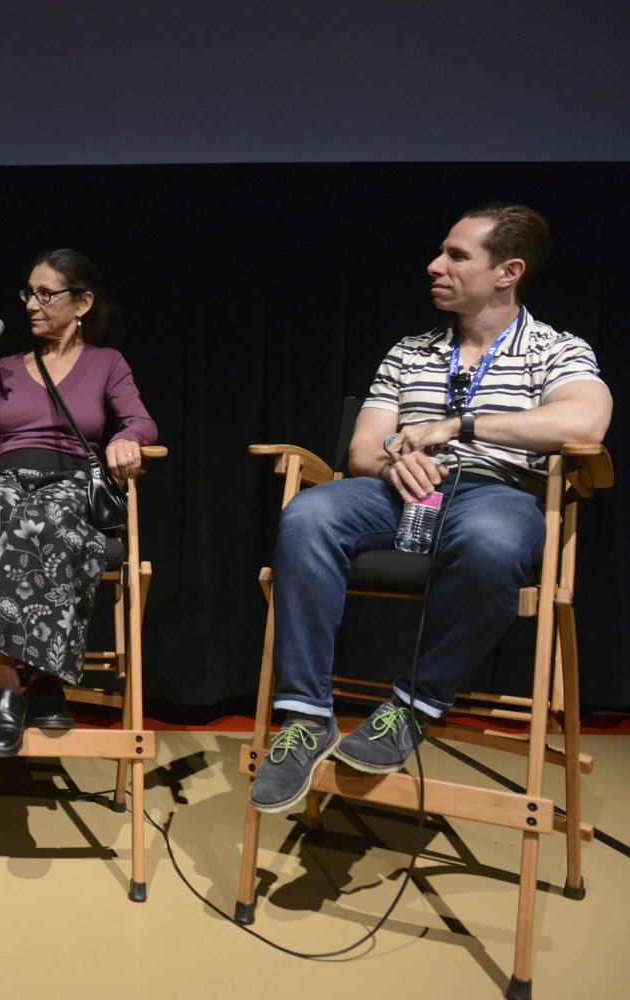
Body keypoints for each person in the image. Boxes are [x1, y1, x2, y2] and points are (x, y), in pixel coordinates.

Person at [250, 203, 613, 814]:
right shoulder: (410, 350)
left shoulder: (556, 348)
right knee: (309, 514)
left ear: (508, 271)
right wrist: (395, 461)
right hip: (397, 493)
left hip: (495, 494)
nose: (434, 265)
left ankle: (413, 705)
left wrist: (464, 426)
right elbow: (364, 447)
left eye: (456, 256)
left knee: (494, 545)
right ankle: (306, 716)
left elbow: (585, 417)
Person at [0, 249, 158, 758]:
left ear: (82, 303)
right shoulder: (5, 368)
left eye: (45, 294)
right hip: (6, 475)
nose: (31, 304)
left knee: (46, 522)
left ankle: (37, 677)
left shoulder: (107, 363)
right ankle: (11, 687)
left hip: (70, 479)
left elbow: (140, 420)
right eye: (27, 292)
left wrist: (128, 440)